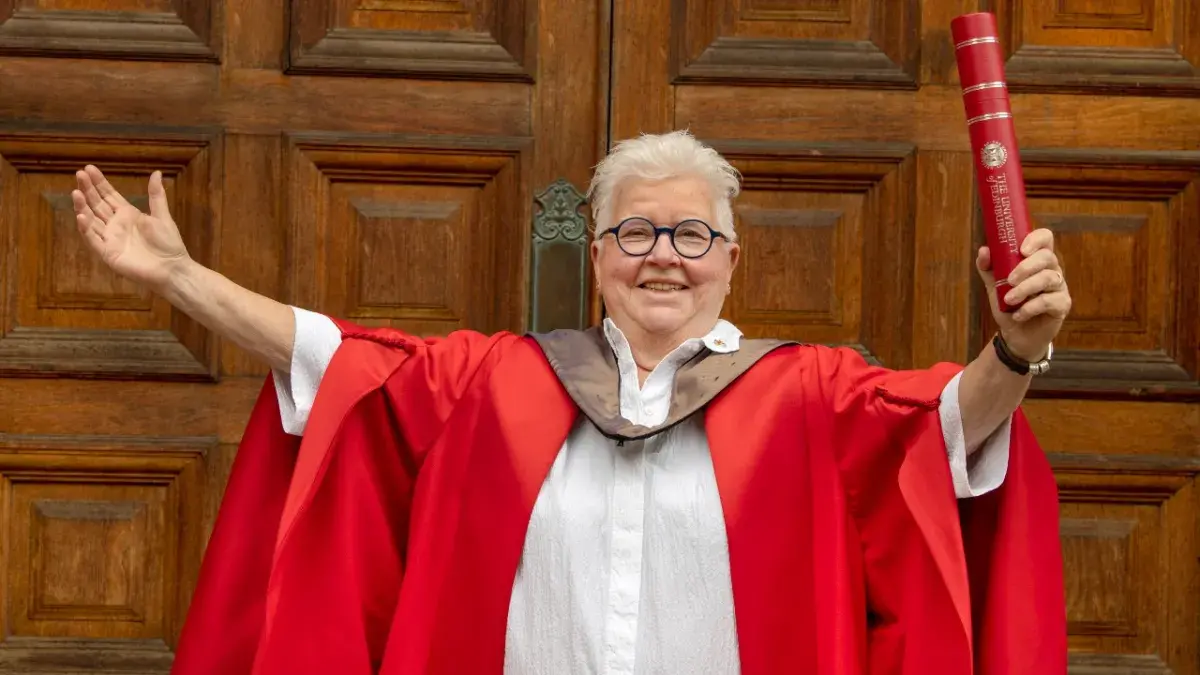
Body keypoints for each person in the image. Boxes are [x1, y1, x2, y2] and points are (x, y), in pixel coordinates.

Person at [72, 130, 1070, 674]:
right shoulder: (496, 381)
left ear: (732, 259)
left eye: (690, 236)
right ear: (595, 257)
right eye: (635, 233)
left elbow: (947, 425)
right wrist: (180, 280)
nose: (662, 258)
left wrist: (1015, 351)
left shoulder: (806, 392)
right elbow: (333, 359)